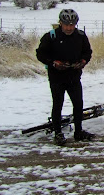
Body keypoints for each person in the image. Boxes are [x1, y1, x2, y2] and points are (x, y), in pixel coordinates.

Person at [36, 9, 94, 146]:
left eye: (72, 25)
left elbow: (87, 52)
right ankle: (58, 133)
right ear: (60, 23)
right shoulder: (51, 36)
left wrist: (83, 61)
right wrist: (53, 63)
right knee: (58, 104)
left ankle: (78, 132)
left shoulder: (80, 36)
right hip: (57, 76)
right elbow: (40, 54)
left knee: (78, 104)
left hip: (74, 75)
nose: (69, 28)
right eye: (66, 24)